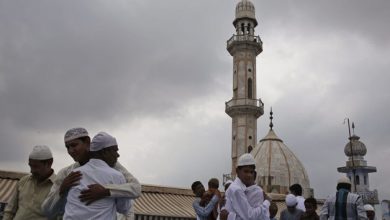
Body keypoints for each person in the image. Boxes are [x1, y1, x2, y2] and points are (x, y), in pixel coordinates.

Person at [42, 128, 141, 219]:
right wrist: (61, 190)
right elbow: (47, 211)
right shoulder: (67, 173)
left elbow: (135, 189)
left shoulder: (113, 166)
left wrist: (105, 191)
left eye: (74, 145)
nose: (71, 151)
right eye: (67, 147)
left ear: (88, 142)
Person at [63, 132, 130, 219]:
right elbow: (124, 208)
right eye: (115, 150)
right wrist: (109, 193)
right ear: (106, 152)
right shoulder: (116, 176)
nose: (118, 155)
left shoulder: (74, 174)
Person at [4, 145, 56, 220]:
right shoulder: (23, 181)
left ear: (49, 163)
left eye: (35, 166)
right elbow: (10, 211)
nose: (31, 171)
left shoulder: (58, 186)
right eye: (30, 166)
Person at [223, 153, 271, 220]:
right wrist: (267, 202)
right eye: (246, 171)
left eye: (251, 172)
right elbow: (249, 216)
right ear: (237, 171)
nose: (249, 175)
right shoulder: (236, 189)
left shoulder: (247, 189)